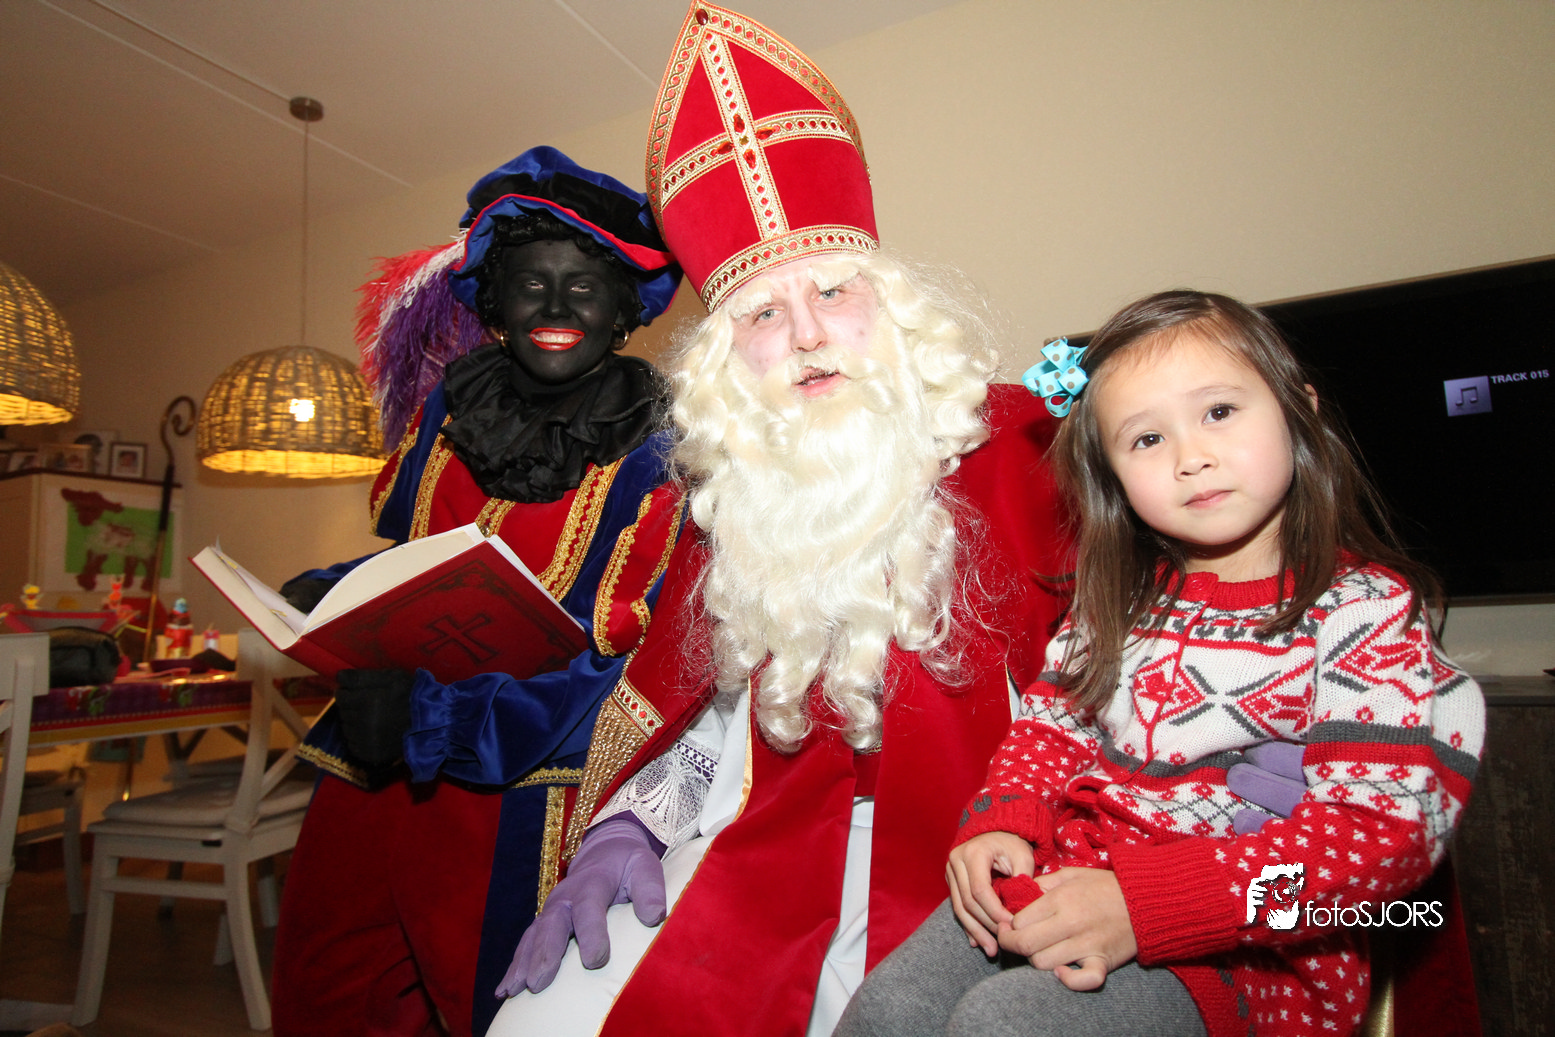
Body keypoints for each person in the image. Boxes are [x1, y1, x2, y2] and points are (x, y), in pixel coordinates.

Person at [486, 6, 1073, 1036]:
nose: (806, 334)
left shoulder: (1025, 444)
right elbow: (705, 713)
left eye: (833, 291)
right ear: (728, 361)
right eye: (761, 312)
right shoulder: (734, 498)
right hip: (762, 839)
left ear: (890, 305)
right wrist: (629, 825)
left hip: (996, 854)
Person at [832, 290, 1487, 1037]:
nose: (1190, 457)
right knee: (890, 1008)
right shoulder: (1119, 600)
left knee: (1007, 1024)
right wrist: (1002, 820)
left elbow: (1378, 845)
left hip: (1248, 950)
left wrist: (1144, 905)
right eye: (1146, 438)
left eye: (1219, 411)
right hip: (1069, 879)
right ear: (1110, 474)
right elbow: (1049, 729)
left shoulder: (1363, 612)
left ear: (1297, 409)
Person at [270, 147, 685, 1037]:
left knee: (484, 1000)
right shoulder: (447, 414)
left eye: (585, 286)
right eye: (531, 283)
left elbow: (642, 667)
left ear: (623, 312)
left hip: (522, 783)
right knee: (328, 985)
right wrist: (331, 593)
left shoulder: (664, 452)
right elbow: (418, 562)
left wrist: (443, 720)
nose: (557, 307)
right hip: (371, 756)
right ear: (494, 306)